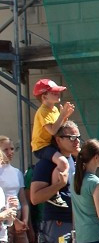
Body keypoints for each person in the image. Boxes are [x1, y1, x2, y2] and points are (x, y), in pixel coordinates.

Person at [30, 79, 76, 208]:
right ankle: (54, 193)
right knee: (63, 162)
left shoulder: (54, 109)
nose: (58, 94)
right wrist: (62, 115)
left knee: (64, 161)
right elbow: (53, 130)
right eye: (54, 93)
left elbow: (58, 128)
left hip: (50, 144)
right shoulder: (43, 111)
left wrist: (65, 116)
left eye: (57, 92)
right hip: (42, 146)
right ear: (44, 96)